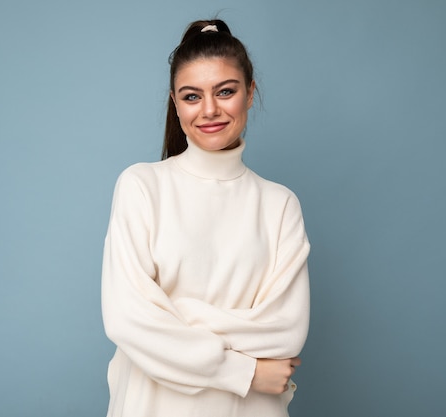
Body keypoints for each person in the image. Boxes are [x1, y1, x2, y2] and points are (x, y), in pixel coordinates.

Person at [101, 19, 310, 417]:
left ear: (250, 93)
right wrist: (244, 372)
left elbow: (286, 332)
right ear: (175, 102)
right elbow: (128, 321)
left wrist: (180, 316)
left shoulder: (280, 204)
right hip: (155, 405)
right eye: (192, 96)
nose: (209, 110)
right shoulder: (142, 186)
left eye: (225, 91)